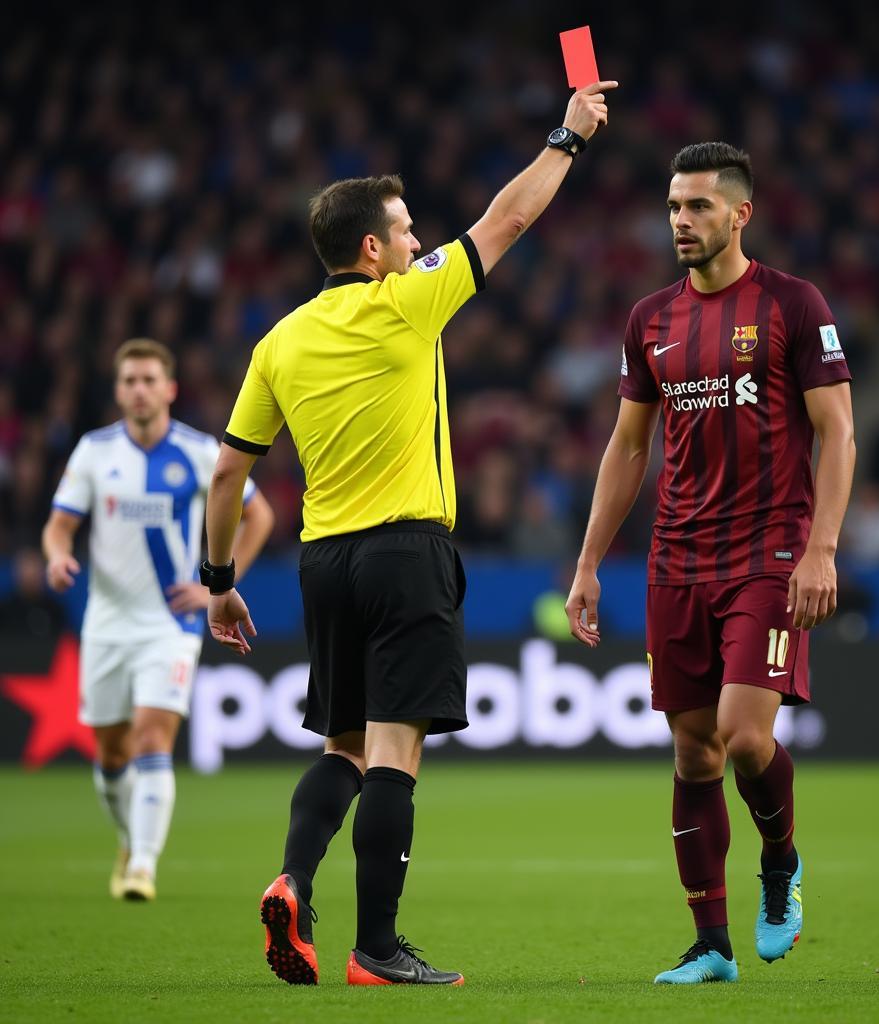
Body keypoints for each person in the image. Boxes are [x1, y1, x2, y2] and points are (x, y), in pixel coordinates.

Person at [200, 81, 617, 987]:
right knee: (395, 753)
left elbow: (229, 470)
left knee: (341, 748)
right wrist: (569, 135)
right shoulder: (404, 302)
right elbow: (506, 220)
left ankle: (293, 881)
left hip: (323, 561)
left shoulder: (277, 342)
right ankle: (377, 950)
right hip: (405, 554)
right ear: (371, 249)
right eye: (406, 230)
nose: (420, 242)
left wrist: (219, 576)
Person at [565, 142, 855, 985]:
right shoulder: (649, 319)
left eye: (697, 206)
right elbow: (627, 448)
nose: (681, 222)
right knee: (694, 756)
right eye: (672, 207)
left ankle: (780, 863)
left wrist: (821, 548)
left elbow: (837, 432)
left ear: (740, 213)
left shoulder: (793, 305)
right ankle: (711, 945)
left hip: (770, 552)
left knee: (742, 736)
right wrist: (588, 564)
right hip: (676, 559)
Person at [41, 338, 273, 901]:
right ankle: (129, 838)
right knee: (111, 753)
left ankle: (143, 865)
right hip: (107, 623)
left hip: (170, 625)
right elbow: (59, 526)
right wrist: (56, 557)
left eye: (149, 380)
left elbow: (259, 514)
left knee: (151, 738)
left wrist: (216, 582)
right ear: (118, 391)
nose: (139, 390)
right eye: (129, 381)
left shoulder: (198, 451)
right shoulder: (95, 452)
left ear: (169, 389)